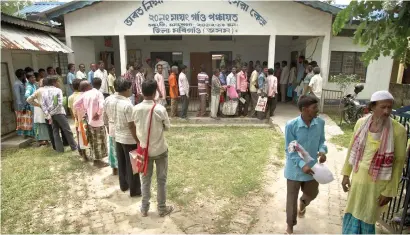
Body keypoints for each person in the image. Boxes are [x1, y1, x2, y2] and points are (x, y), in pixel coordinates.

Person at [341, 91, 407, 234]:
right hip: (358, 181)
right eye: (383, 107)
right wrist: (346, 174)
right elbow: (352, 148)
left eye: (389, 107)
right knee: (351, 212)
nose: (387, 111)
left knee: (368, 218)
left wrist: (389, 191)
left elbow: (398, 163)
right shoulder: (361, 123)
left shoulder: (398, 131)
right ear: (372, 106)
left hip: (378, 185)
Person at [284, 95, 327, 234]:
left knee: (312, 193)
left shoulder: (320, 123)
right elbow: (290, 149)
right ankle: (290, 226)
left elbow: (322, 141)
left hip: (312, 168)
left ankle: (303, 203)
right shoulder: (291, 125)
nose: (317, 110)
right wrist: (302, 164)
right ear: (304, 109)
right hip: (295, 169)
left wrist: (322, 151)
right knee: (291, 199)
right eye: (314, 108)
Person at [132, 79, 173, 217]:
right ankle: (162, 208)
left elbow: (134, 126)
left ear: (141, 92)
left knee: (145, 180)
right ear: (155, 92)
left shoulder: (136, 108)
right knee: (161, 180)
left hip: (143, 151)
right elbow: (167, 127)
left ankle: (144, 209)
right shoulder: (160, 109)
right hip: (160, 149)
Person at [109, 78, 141, 197]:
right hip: (128, 138)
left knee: (122, 163)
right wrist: (137, 139)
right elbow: (131, 125)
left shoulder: (111, 100)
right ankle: (135, 190)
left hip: (117, 136)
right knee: (133, 165)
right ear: (126, 89)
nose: (131, 90)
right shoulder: (127, 105)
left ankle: (124, 185)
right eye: (130, 88)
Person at [74, 79, 108, 167]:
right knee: (99, 141)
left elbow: (75, 105)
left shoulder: (84, 95)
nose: (91, 84)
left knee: (93, 141)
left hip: (89, 122)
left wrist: (85, 112)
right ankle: (97, 161)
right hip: (98, 121)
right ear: (88, 86)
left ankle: (95, 159)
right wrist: (98, 113)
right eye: (89, 83)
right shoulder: (97, 93)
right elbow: (102, 105)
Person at [41, 76, 77, 153]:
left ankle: (59, 149)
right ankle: (74, 146)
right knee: (67, 130)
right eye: (57, 82)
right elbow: (60, 103)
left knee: (55, 132)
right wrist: (54, 112)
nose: (58, 83)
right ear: (54, 82)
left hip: (50, 115)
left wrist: (48, 114)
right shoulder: (58, 90)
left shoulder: (44, 92)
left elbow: (43, 105)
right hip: (59, 113)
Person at [27, 77, 50, 146]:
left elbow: (29, 100)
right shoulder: (43, 90)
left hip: (40, 111)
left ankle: (45, 140)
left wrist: (38, 105)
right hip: (43, 111)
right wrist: (39, 105)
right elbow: (28, 99)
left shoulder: (38, 90)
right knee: (45, 125)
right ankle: (46, 140)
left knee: (42, 126)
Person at [67, 79, 87, 160]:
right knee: (86, 137)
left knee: (79, 137)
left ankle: (81, 150)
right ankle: (85, 152)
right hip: (85, 120)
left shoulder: (70, 97)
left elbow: (71, 110)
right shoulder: (84, 95)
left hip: (76, 120)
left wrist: (74, 119)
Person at [103, 92, 119, 175]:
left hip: (111, 126)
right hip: (122, 129)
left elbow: (104, 115)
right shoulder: (125, 100)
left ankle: (114, 168)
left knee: (113, 148)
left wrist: (107, 126)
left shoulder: (107, 99)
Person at [13, 69, 30, 137]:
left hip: (25, 103)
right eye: (24, 75)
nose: (25, 76)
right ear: (21, 75)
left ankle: (27, 133)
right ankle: (22, 134)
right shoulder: (17, 84)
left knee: (26, 118)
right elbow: (17, 96)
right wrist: (21, 106)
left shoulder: (23, 83)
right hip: (21, 104)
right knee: (21, 118)